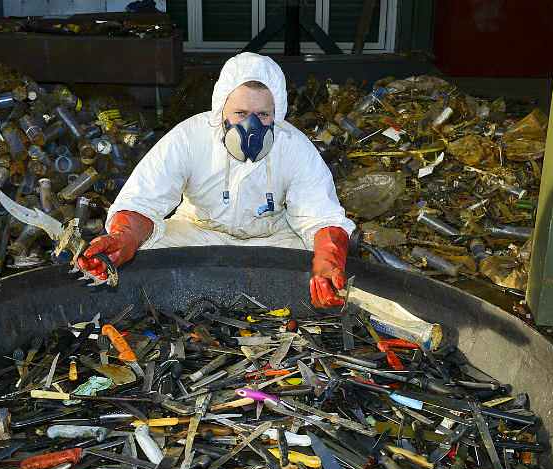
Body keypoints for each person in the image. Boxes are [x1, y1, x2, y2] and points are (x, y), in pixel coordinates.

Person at [77, 52, 355, 308]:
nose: (252, 127)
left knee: (321, 266)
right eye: (241, 114)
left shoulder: (293, 146)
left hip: (271, 239)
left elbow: (321, 217)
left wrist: (327, 263)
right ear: (221, 110)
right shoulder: (189, 137)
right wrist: (123, 238)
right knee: (142, 252)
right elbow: (143, 201)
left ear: (277, 116)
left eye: (263, 115)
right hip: (197, 233)